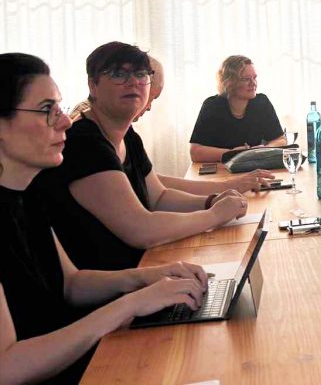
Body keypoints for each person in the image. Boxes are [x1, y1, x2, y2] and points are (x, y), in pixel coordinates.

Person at [0, 53, 211, 385]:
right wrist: (129, 306)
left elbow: (71, 284)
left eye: (59, 108)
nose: (65, 121)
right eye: (46, 111)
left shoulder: (26, 195)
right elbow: (7, 366)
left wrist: (147, 278)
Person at [34, 43, 248, 272]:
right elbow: (141, 230)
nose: (133, 82)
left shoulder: (127, 135)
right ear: (92, 85)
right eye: (118, 74)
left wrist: (210, 201)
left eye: (140, 74)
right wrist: (213, 215)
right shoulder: (83, 141)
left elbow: (159, 197)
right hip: (107, 289)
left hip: (140, 272)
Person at [76, 56, 272, 195]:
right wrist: (218, 200)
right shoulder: (86, 132)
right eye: (151, 98)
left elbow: (154, 187)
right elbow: (139, 222)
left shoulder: (127, 134)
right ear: (93, 85)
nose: (149, 107)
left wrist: (225, 190)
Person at [188, 55, 286, 164]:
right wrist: (232, 153)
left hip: (254, 167)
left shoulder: (262, 102)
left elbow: (281, 140)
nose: (253, 83)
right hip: (221, 171)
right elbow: (195, 152)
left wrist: (264, 149)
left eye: (254, 77)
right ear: (229, 82)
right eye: (246, 79)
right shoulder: (212, 106)